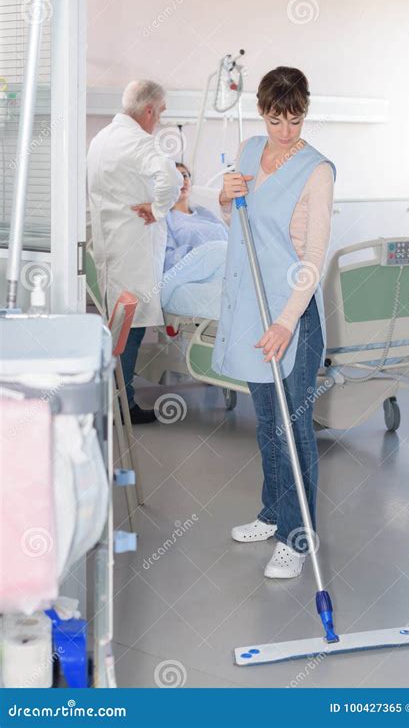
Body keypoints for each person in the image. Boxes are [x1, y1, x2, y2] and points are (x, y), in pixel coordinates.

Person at [212, 67, 336, 579]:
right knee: (266, 422)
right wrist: (224, 197)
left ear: (305, 111)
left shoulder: (317, 170)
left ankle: (296, 534)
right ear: (262, 111)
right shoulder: (246, 151)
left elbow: (314, 254)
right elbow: (235, 222)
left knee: (292, 427)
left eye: (296, 119)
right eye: (276, 119)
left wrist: (288, 321)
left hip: (292, 317)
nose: (286, 130)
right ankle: (273, 512)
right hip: (250, 310)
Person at [87, 80, 183, 424]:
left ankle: (114, 400)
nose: (159, 120)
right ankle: (122, 406)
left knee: (119, 325)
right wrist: (158, 209)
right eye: (160, 113)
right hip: (133, 247)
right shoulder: (139, 142)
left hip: (110, 246)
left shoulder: (101, 139)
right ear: (148, 110)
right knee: (130, 327)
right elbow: (172, 180)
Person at [164, 163, 228, 272]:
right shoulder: (167, 220)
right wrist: (197, 254)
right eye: (175, 177)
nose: (181, 181)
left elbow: (231, 238)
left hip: (230, 263)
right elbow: (167, 260)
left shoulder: (204, 212)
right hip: (202, 273)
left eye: (184, 176)